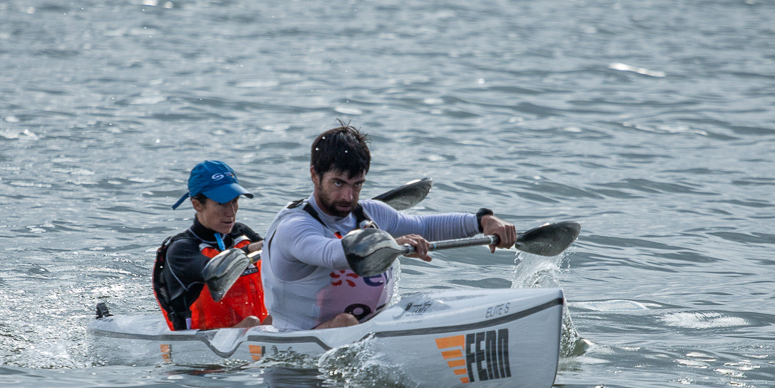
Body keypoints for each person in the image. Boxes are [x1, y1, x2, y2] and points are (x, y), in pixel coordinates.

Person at [260, 125, 516, 331]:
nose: (349, 197)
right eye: (338, 183)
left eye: (357, 185)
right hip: (302, 344)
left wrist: (482, 221)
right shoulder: (294, 227)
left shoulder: (371, 212)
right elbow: (332, 254)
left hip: (367, 332)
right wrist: (389, 243)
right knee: (345, 323)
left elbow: (426, 225)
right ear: (315, 175)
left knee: (426, 303)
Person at [152, 160, 270, 331]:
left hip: (253, 331)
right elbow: (217, 271)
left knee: (279, 316)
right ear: (197, 204)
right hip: (202, 340)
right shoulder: (181, 249)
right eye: (221, 203)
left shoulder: (242, 233)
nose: (230, 211)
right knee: (252, 322)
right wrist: (249, 249)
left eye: (234, 201)